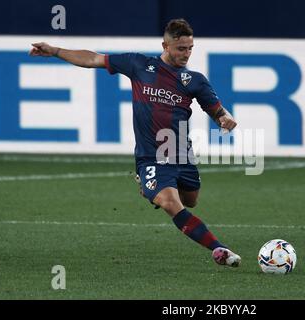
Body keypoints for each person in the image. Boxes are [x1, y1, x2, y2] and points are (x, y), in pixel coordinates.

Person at [29, 18, 241, 267]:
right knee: (170, 203)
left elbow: (216, 109)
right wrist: (54, 51)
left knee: (190, 200)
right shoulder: (139, 64)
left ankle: (149, 189)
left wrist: (224, 118)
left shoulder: (194, 80)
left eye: (190, 48)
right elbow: (92, 59)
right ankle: (220, 250)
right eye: (180, 48)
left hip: (181, 154)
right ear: (165, 45)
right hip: (151, 156)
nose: (186, 54)